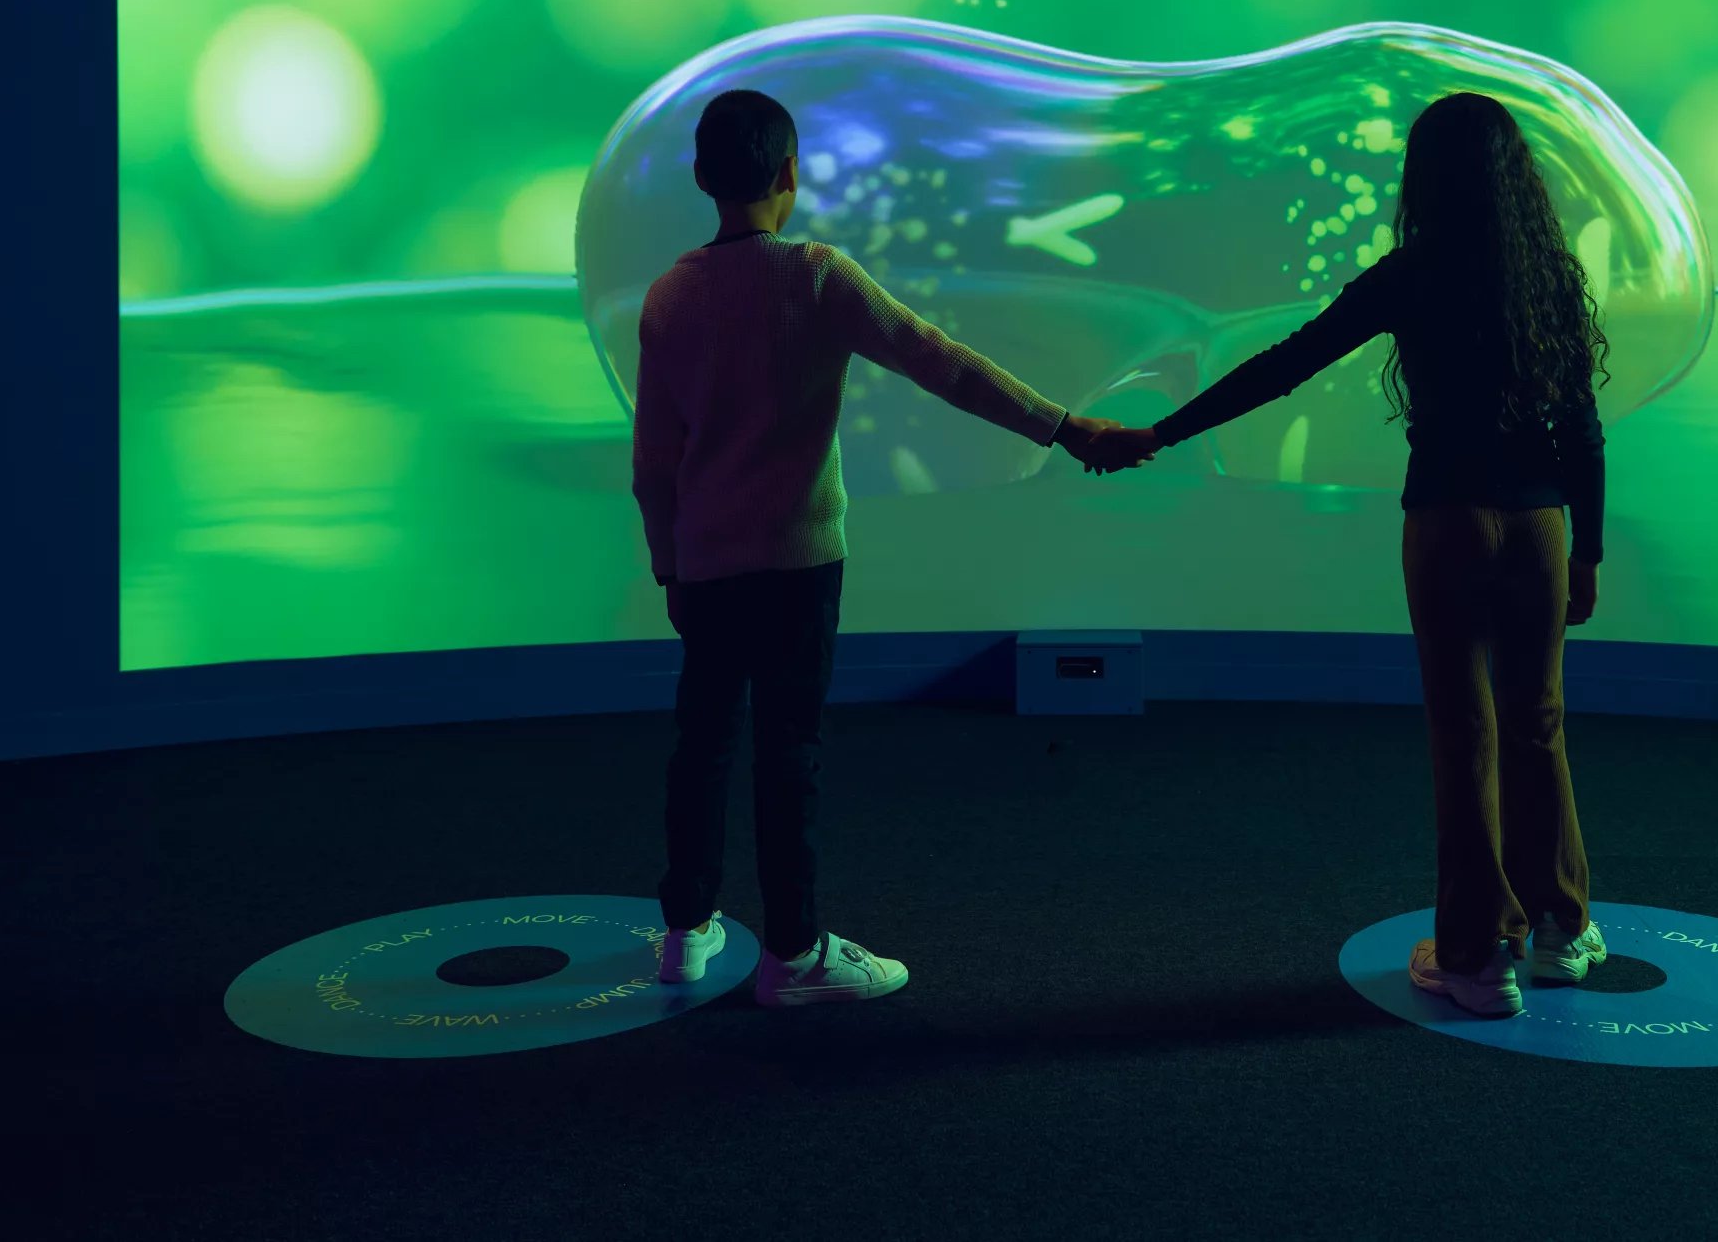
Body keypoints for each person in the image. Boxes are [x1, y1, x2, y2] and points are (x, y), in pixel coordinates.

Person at [1085, 92, 1610, 1018]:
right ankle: (1564, 928)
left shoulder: (1410, 275)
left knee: (1466, 735)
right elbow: (1585, 433)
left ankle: (1477, 960)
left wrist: (1163, 431)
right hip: (1538, 526)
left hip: (1446, 524)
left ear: (1426, 181)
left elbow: (1283, 363)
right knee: (1539, 721)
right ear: (1515, 180)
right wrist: (1589, 551)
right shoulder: (1549, 280)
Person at [632, 88, 1124, 1008]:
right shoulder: (817, 275)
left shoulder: (668, 295)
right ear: (789, 173)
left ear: (701, 178)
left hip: (702, 563)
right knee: (790, 750)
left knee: (699, 744)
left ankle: (683, 933)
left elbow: (653, 459)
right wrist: (1061, 426)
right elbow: (941, 361)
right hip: (797, 564)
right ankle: (793, 955)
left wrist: (669, 560)